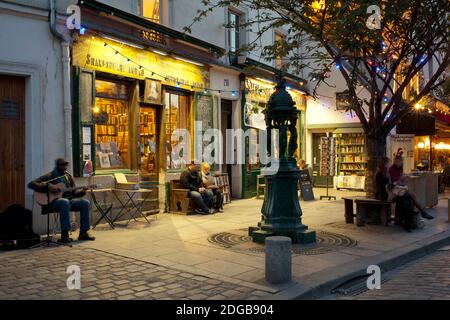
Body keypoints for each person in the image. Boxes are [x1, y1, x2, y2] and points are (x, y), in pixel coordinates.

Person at [28, 158, 95, 243]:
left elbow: (73, 193)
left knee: (85, 203)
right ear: (58, 166)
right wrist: (48, 187)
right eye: (63, 165)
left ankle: (83, 233)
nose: (65, 167)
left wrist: (83, 191)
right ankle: (64, 235)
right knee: (64, 202)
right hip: (53, 203)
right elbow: (31, 184)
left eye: (66, 165)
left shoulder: (68, 177)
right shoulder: (50, 175)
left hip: (67, 201)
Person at [389, 155, 434, 220]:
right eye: (397, 161)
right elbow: (393, 183)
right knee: (412, 195)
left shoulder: (400, 168)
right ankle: (423, 212)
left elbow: (401, 182)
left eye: (400, 161)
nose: (398, 163)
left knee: (410, 197)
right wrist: (402, 179)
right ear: (395, 161)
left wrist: (405, 179)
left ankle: (414, 215)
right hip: (394, 191)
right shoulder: (392, 169)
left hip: (399, 189)